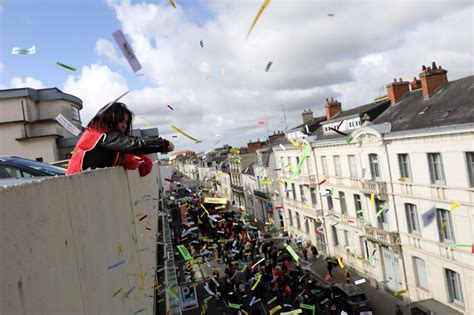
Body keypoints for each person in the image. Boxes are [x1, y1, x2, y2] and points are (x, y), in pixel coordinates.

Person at [66, 101, 173, 175]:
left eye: (126, 122)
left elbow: (127, 154)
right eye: (121, 121)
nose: (124, 126)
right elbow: (132, 145)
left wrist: (140, 161)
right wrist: (162, 144)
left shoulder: (100, 135)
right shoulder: (100, 135)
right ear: (109, 118)